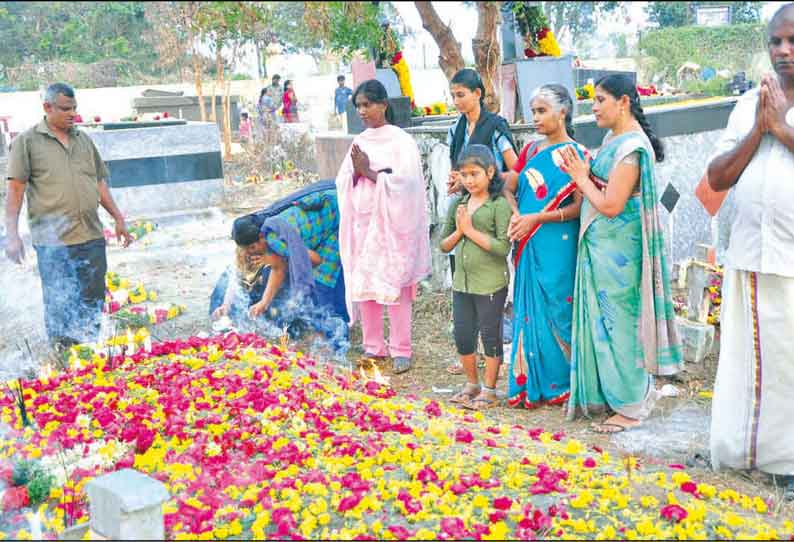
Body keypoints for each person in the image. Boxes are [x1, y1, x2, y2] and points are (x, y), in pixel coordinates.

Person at [561, 74, 683, 433]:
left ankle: (631, 405)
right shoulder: (613, 138)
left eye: (600, 100)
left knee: (620, 326)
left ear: (624, 102)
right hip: (600, 250)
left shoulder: (631, 148)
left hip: (619, 257)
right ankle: (610, 396)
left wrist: (581, 177)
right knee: (603, 323)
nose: (594, 107)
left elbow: (612, 205)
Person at [706, 3, 794, 500]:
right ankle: (746, 453)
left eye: (793, 41)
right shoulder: (748, 105)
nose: (783, 51)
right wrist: (760, 127)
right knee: (752, 362)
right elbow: (718, 177)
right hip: (752, 256)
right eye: (775, 42)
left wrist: (782, 127)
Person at [4, 82, 133, 352]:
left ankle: (91, 346)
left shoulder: (83, 139)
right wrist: (12, 235)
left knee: (93, 295)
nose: (72, 113)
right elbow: (16, 189)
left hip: (91, 234)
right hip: (54, 241)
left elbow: (99, 184)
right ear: (47, 107)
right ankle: (64, 354)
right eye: (65, 108)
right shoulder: (26, 142)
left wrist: (119, 219)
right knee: (60, 300)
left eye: (74, 108)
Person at [335, 79, 431, 374]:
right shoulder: (359, 141)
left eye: (367, 105)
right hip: (363, 224)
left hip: (393, 225)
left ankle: (402, 349)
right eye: (358, 106)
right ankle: (373, 347)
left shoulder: (401, 141)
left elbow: (410, 184)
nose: (362, 111)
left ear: (383, 105)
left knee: (396, 285)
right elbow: (341, 181)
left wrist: (370, 172)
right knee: (366, 285)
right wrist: (357, 174)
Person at [503, 84, 588, 410]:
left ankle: (562, 383)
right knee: (529, 310)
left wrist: (536, 216)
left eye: (541, 111)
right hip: (527, 239)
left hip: (558, 242)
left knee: (558, 306)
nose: (534, 117)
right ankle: (531, 384)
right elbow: (510, 184)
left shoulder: (577, 155)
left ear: (562, 111)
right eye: (533, 111)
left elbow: (579, 208)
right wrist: (516, 214)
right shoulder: (531, 152)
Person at [210, 180, 349, 350]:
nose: (253, 252)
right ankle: (321, 330)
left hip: (337, 214)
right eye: (248, 249)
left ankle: (333, 334)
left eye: (253, 247)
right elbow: (276, 268)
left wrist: (272, 263)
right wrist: (259, 303)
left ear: (261, 236)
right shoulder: (258, 229)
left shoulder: (276, 238)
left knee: (323, 280)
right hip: (321, 220)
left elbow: (315, 260)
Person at [445, 68, 519, 376]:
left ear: (478, 94)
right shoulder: (456, 129)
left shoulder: (496, 127)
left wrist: (479, 181)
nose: (457, 101)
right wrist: (458, 181)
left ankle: (492, 356)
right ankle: (469, 352)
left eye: (462, 95)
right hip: (465, 206)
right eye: (453, 96)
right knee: (463, 280)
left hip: (490, 208)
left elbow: (515, 170)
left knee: (490, 285)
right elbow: (457, 168)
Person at [440, 145, 512, 410]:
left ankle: (490, 389)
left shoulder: (498, 205)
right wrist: (460, 232)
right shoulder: (458, 204)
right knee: (463, 334)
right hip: (462, 283)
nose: (469, 180)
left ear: (490, 172)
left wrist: (469, 230)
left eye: (475, 174)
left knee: (490, 335)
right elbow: (444, 245)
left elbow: (503, 247)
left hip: (490, 283)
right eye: (464, 174)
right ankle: (472, 384)